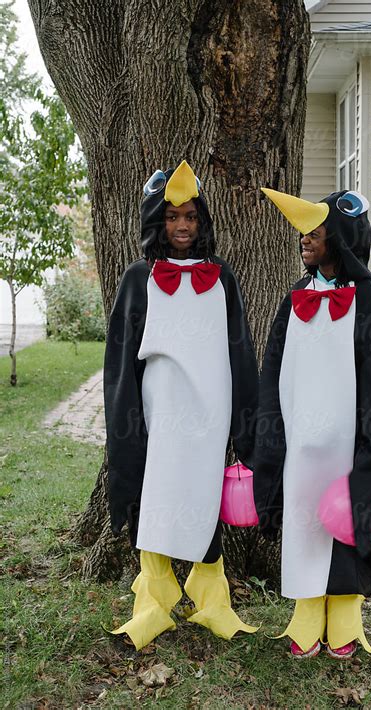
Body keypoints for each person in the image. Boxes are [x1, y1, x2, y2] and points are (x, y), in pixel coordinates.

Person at [253, 188, 371, 658]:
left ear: (341, 237)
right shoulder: (294, 300)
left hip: (349, 442)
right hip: (301, 442)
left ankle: (345, 611)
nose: (304, 238)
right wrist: (271, 431)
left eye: (315, 230)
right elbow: (274, 368)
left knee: (347, 520)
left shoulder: (367, 301)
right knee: (304, 520)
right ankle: (306, 611)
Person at [104, 160, 259, 650]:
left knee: (201, 497)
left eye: (191, 216)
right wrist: (125, 420)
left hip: (210, 410)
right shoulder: (138, 278)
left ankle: (212, 599)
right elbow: (121, 359)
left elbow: (240, 349)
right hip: (159, 409)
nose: (183, 226)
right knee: (156, 500)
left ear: (202, 220)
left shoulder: (223, 278)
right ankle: (152, 603)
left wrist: (244, 421)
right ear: (157, 222)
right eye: (172, 217)